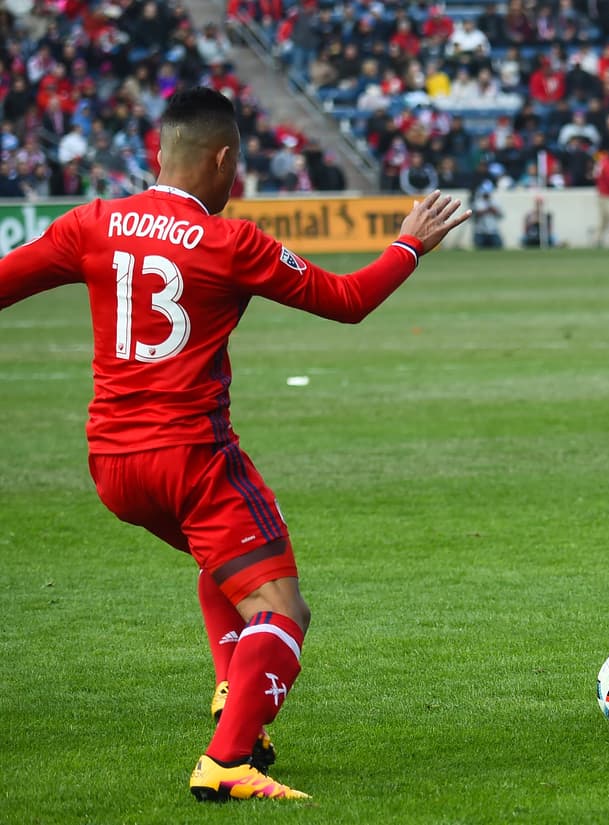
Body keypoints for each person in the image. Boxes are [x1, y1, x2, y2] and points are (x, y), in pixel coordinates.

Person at [0, 87, 471, 799]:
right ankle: (226, 762)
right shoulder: (231, 242)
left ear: (161, 152)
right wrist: (409, 242)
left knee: (228, 564)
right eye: (238, 163)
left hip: (112, 466)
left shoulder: (91, 223)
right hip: (192, 457)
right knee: (283, 607)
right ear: (223, 160)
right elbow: (347, 301)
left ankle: (235, 694)